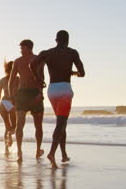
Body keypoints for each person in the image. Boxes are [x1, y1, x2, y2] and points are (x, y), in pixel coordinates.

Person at [30, 30, 85, 168]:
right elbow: (82, 73)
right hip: (65, 90)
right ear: (68, 40)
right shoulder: (72, 52)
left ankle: (64, 154)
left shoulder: (46, 53)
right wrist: (73, 73)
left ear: (56, 40)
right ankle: (52, 153)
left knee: (62, 123)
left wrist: (37, 80)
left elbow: (32, 65)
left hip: (52, 90)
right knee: (61, 123)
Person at [8, 40, 45, 162]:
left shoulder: (21, 61)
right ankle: (21, 151)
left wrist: (11, 96)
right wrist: (40, 93)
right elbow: (12, 80)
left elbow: (41, 77)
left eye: (22, 48)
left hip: (26, 93)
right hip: (28, 92)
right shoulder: (28, 60)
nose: (20, 50)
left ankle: (35, 150)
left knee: (36, 124)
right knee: (21, 124)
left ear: (28, 47)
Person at [0, 60, 19, 154]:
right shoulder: (18, 79)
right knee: (14, 126)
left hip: (3, 103)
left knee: (7, 127)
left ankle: (6, 149)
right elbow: (20, 93)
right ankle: (10, 135)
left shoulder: (2, 80)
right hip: (11, 103)